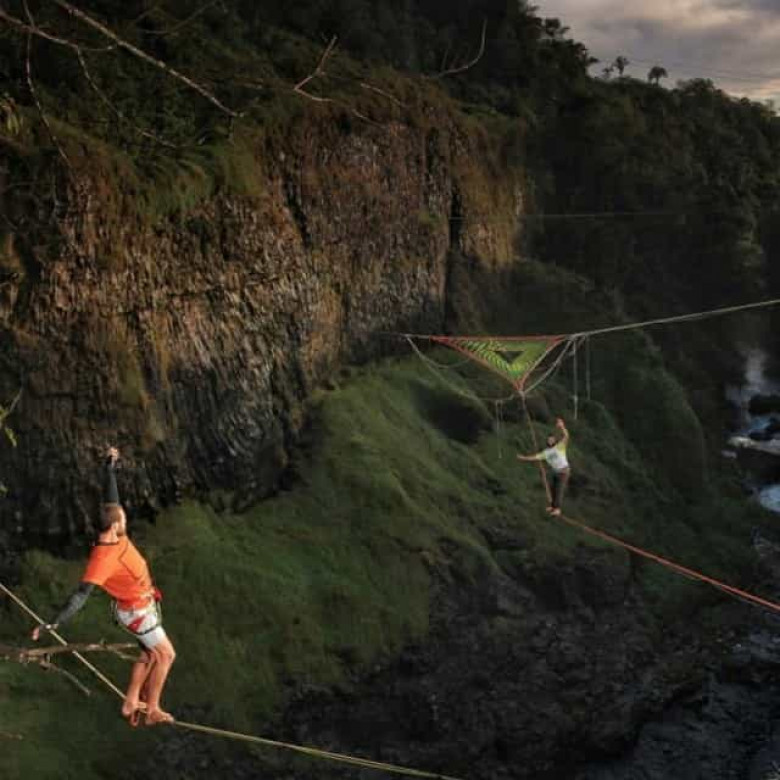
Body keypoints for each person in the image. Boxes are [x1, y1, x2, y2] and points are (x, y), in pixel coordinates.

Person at [31, 447, 175, 725]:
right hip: (136, 611)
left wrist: (109, 467)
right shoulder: (103, 560)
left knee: (148, 653)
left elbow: (112, 500)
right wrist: (53, 623)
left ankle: (131, 701)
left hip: (141, 604)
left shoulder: (113, 531)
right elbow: (80, 596)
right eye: (123, 519)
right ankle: (153, 710)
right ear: (113, 527)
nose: (125, 520)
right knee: (166, 654)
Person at [517, 417, 571, 516]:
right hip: (556, 472)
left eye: (552, 439)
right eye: (549, 440)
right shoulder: (545, 452)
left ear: (555, 441)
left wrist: (562, 426)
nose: (550, 440)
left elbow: (566, 436)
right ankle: (553, 506)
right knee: (553, 489)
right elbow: (535, 457)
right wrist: (523, 458)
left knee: (559, 489)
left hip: (564, 471)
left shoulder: (559, 447)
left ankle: (557, 509)